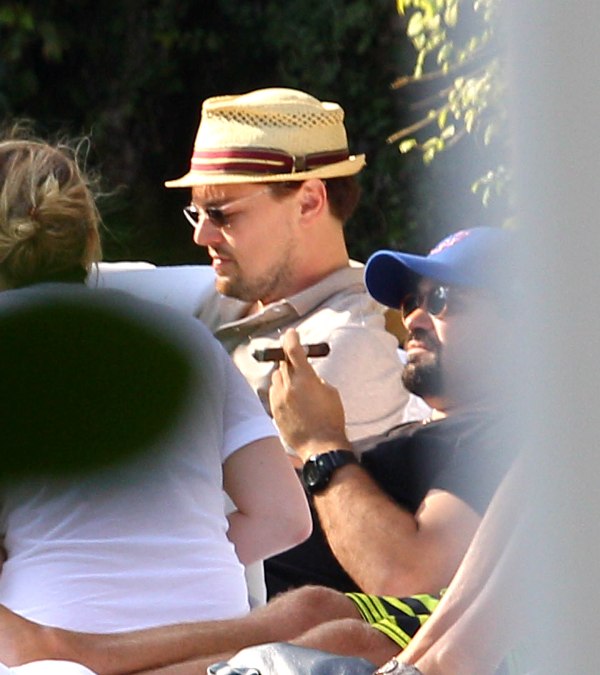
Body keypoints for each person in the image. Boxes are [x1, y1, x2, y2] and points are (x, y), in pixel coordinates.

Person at [0, 226, 517, 674]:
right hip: (230, 614)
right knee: (314, 617)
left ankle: (72, 652)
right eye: (409, 301)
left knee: (322, 619)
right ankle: (72, 652)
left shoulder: (507, 434)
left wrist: (321, 445)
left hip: (284, 619)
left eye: (443, 299)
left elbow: (408, 577)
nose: (415, 318)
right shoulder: (423, 432)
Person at [0, 129, 311, 632]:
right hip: (211, 637)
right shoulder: (186, 338)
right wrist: (169, 574)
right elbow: (284, 518)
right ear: (87, 234)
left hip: (51, 636)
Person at [164, 86, 430, 596]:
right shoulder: (235, 298)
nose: (202, 236)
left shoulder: (343, 344)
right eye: (196, 214)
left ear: (309, 201)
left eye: (222, 215)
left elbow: (213, 500)